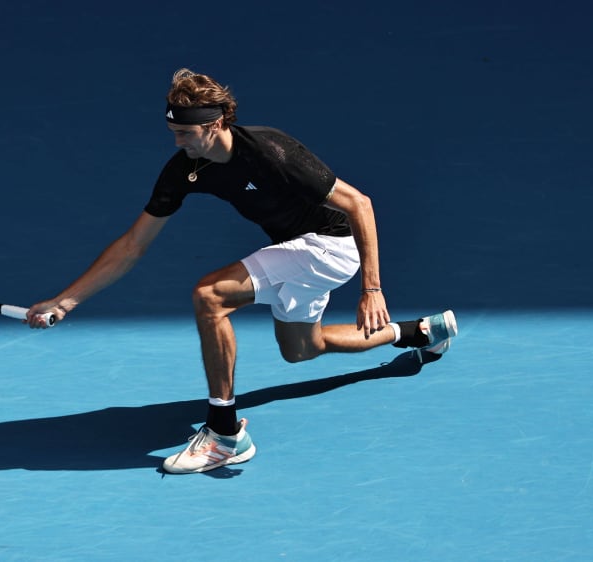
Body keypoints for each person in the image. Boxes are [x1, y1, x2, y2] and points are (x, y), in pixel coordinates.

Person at [24, 68, 458, 474]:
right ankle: (420, 332)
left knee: (210, 295)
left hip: (331, 246)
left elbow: (359, 203)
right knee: (302, 349)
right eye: (173, 133)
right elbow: (133, 244)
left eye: (184, 133)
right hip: (296, 250)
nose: (177, 143)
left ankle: (224, 434)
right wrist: (66, 301)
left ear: (213, 125)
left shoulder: (272, 151)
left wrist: (372, 288)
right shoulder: (185, 169)